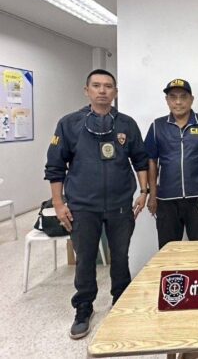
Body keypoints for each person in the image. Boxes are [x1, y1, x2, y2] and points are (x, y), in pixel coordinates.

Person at [45, 69, 149, 340]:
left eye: (108, 86)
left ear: (115, 92)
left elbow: (140, 160)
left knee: (120, 256)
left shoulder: (126, 124)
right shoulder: (69, 124)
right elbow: (55, 167)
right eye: (97, 86)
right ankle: (83, 307)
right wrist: (58, 203)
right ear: (87, 90)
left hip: (120, 204)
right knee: (85, 259)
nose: (103, 91)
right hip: (82, 206)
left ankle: (120, 301)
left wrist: (144, 191)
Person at [145, 79, 198, 248]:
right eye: (173, 97)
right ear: (167, 100)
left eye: (183, 97)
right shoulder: (157, 126)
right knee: (168, 249)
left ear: (191, 99)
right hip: (166, 198)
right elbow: (152, 161)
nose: (178, 102)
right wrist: (152, 195)